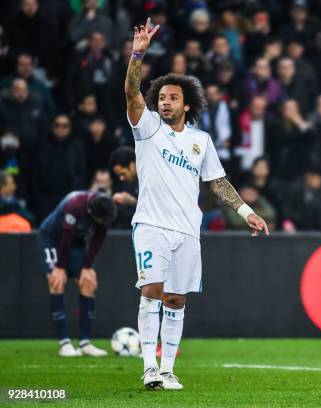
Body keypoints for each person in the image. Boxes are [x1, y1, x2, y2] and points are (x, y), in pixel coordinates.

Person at [125, 20, 269, 391]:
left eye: (172, 97)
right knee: (151, 290)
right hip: (152, 224)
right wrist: (138, 54)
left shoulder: (200, 141)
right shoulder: (148, 128)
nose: (165, 102)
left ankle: (169, 369)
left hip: (189, 229)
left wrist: (246, 211)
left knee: (176, 299)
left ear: (186, 104)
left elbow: (217, 183)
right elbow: (131, 93)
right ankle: (148, 368)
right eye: (161, 98)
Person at [38, 190, 117, 357]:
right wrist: (59, 267)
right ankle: (64, 344)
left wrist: (87, 267)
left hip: (76, 243)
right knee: (57, 282)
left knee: (88, 283)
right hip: (52, 239)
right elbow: (65, 238)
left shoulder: (106, 210)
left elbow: (98, 240)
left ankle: (84, 343)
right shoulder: (75, 205)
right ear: (90, 213)